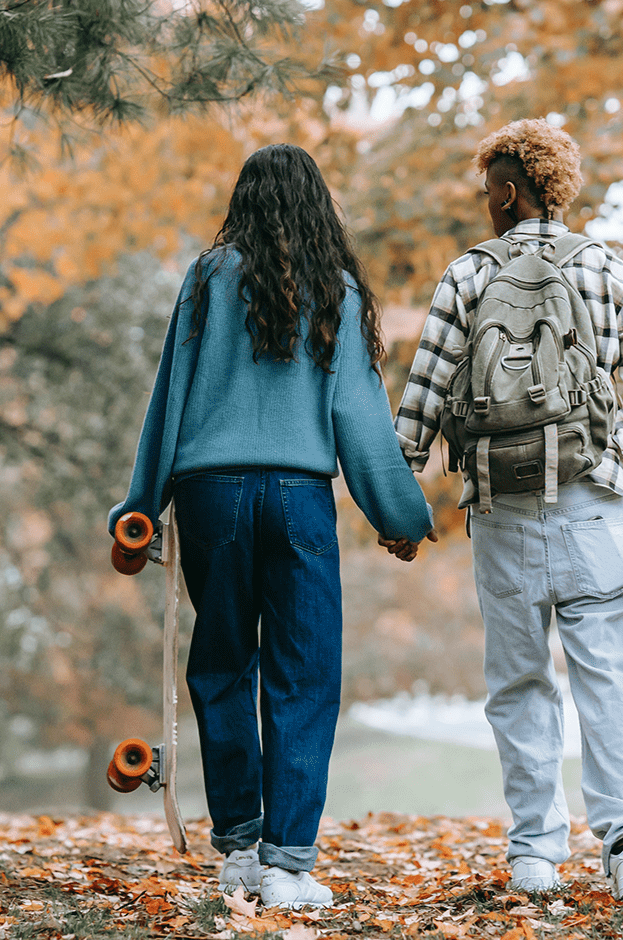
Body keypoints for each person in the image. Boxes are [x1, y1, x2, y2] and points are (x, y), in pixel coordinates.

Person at [108, 144, 436, 909]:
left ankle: (239, 850)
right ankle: (289, 866)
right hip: (298, 496)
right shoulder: (338, 290)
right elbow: (359, 417)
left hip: (209, 494)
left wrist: (139, 506)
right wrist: (401, 517)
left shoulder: (208, 277)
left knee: (222, 665)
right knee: (305, 672)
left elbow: (170, 395)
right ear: (319, 207)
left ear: (243, 201)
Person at [390, 119, 623, 901]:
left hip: (502, 508)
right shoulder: (607, 268)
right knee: (607, 679)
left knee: (520, 682)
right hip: (597, 503)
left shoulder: (466, 276)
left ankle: (534, 854)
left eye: (487, 188)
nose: (484, 202)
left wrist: (399, 494)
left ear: (508, 188)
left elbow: (422, 396)